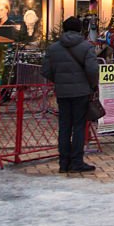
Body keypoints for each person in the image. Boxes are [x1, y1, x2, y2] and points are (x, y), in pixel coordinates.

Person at [41, 16, 100, 174]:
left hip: (62, 93)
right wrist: (92, 85)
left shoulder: (53, 48)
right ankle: (76, 161)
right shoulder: (86, 47)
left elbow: (45, 70)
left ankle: (63, 162)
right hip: (81, 92)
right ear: (80, 29)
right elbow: (93, 70)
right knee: (79, 127)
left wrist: (59, 80)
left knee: (64, 127)